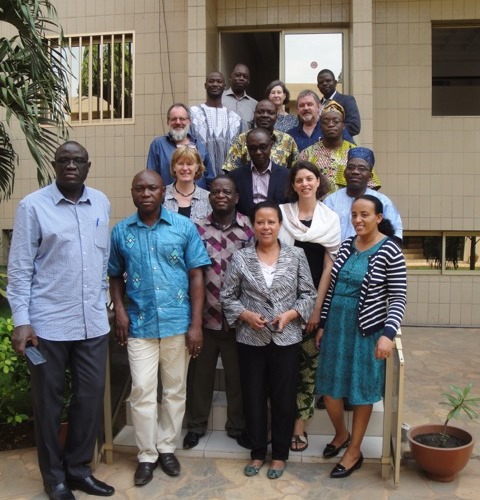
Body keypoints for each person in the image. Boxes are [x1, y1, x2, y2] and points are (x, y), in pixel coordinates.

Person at [7, 141, 114, 500]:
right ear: (54, 165)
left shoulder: (100, 202)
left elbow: (101, 263)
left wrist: (102, 303)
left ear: (88, 166)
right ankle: (53, 478)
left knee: (88, 399)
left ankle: (79, 469)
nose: (71, 165)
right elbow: (20, 269)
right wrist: (22, 320)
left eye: (78, 160)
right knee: (49, 405)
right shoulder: (32, 206)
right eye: (64, 160)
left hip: (92, 326)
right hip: (48, 326)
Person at [108, 170, 211, 486]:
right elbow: (114, 274)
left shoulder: (183, 227)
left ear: (161, 192)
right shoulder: (121, 231)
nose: (146, 193)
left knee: (175, 390)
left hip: (178, 324)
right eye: (139, 188)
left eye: (152, 187)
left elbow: (197, 276)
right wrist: (120, 312)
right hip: (139, 325)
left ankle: (167, 448)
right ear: (132, 192)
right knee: (141, 390)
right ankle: (146, 454)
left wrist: (196, 325)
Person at [220, 201, 317, 480]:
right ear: (253, 226)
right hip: (251, 338)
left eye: (271, 222)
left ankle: (280, 455)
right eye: (260, 222)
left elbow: (308, 294)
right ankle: (258, 452)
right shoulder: (240, 258)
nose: (266, 227)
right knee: (253, 396)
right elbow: (228, 297)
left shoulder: (296, 256)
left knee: (284, 398)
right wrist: (247, 315)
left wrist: (291, 314)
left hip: (286, 338)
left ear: (280, 225)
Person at [315, 195, 407, 478]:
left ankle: (354, 451)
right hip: (336, 328)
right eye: (354, 214)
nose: (358, 220)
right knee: (330, 391)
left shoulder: (390, 250)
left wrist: (388, 335)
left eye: (364, 214)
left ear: (379, 217)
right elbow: (331, 289)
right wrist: (322, 324)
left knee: (360, 390)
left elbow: (398, 297)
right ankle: (341, 434)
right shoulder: (345, 247)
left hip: (367, 330)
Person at [183, 176, 255, 450]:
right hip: (205, 316)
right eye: (215, 191)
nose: (221, 195)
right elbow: (191, 272)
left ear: (237, 197)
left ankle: (237, 426)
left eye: (227, 191)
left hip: (240, 321)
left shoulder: (249, 228)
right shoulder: (196, 229)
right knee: (200, 378)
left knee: (238, 378)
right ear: (209, 197)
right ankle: (196, 426)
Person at [278, 161, 341, 453]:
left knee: (306, 369)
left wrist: (316, 309)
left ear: (319, 182)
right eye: (299, 179)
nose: (304, 184)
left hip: (313, 305)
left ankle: (299, 428)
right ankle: (277, 425)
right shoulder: (281, 214)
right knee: (279, 370)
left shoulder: (330, 219)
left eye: (309, 179)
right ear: (293, 185)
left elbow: (329, 267)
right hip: (279, 305)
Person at [299, 101, 381, 193]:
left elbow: (372, 185)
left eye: (336, 121)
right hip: (317, 206)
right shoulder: (307, 154)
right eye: (326, 122)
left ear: (343, 126)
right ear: (320, 126)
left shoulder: (356, 153)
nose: (330, 125)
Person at [324, 147, 403, 242]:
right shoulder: (330, 201)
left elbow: (395, 235)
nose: (355, 172)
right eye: (350, 167)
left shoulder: (383, 202)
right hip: (335, 255)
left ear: (370, 176)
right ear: (344, 173)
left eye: (362, 169)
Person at [146, 103, 215, 189]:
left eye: (182, 119)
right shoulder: (158, 145)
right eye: (174, 119)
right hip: (168, 200)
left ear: (189, 121)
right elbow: (151, 179)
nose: (178, 122)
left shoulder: (200, 146)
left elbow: (210, 180)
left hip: (199, 200)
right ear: (168, 122)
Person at [226, 127, 290, 216]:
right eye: (253, 148)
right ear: (247, 148)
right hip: (244, 227)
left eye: (263, 147)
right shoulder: (235, 176)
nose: (258, 152)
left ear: (271, 146)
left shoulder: (286, 175)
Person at [190, 71, 244, 176]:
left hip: (228, 180)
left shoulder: (235, 119)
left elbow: (240, 153)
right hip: (199, 178)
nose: (215, 84)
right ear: (205, 85)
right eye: (211, 81)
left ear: (224, 86)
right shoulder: (193, 114)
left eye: (219, 81)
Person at [222, 99, 298, 172]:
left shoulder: (288, 140)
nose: (265, 115)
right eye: (260, 112)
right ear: (254, 115)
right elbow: (230, 170)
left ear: (276, 116)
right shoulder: (242, 139)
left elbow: (297, 170)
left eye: (270, 112)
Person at [162, 146, 211, 220]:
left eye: (189, 164)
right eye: (180, 164)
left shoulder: (208, 198)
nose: (185, 168)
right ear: (174, 167)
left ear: (197, 167)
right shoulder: (162, 195)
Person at [317, 68, 361, 140]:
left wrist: (328, 135)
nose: (324, 83)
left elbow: (354, 126)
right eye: (321, 82)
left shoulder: (347, 100)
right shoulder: (317, 105)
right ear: (318, 86)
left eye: (328, 81)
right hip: (319, 148)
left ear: (335, 82)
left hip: (341, 147)